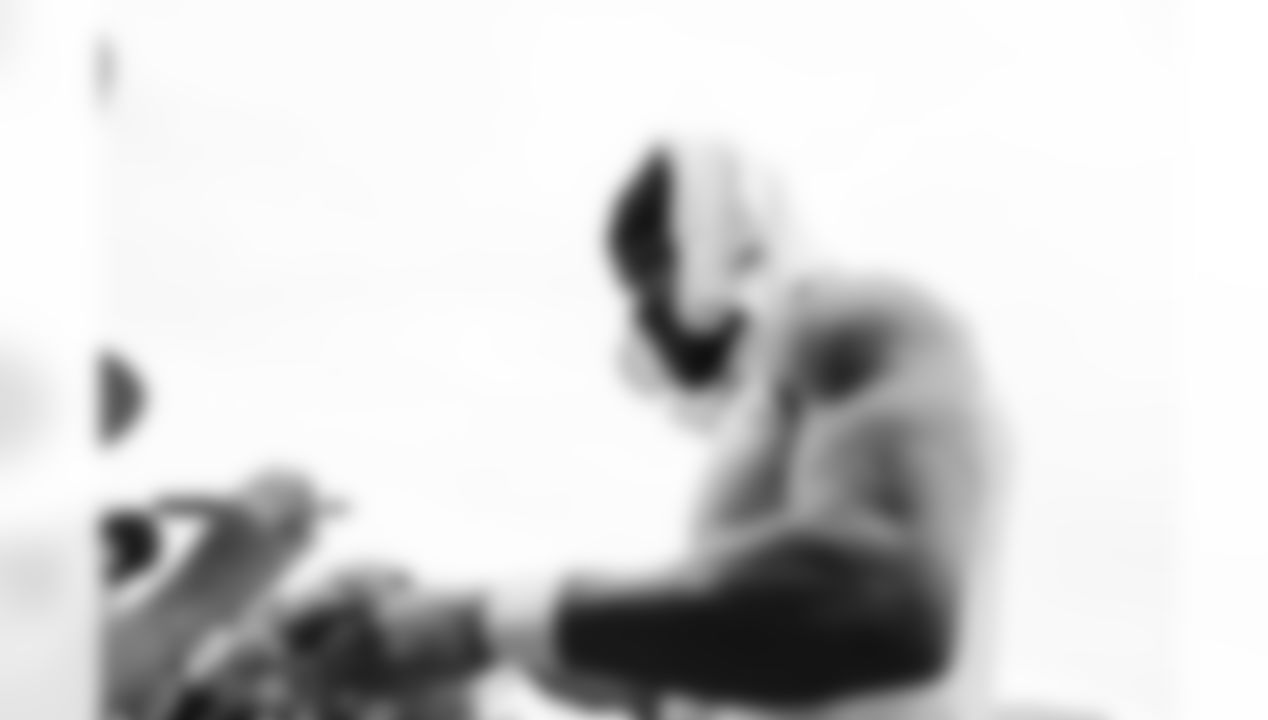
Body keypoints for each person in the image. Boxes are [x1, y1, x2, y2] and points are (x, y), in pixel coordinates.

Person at [270, 137, 997, 720]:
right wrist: (505, 647)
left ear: (723, 235)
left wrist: (482, 618)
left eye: (655, 271)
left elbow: (884, 604)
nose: (648, 315)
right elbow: (763, 672)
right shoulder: (772, 408)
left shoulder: (854, 313)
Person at [99, 350, 334, 720]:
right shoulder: (289, 548)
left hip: (147, 633)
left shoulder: (245, 518)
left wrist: (223, 503)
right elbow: (306, 529)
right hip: (188, 650)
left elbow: (169, 499)